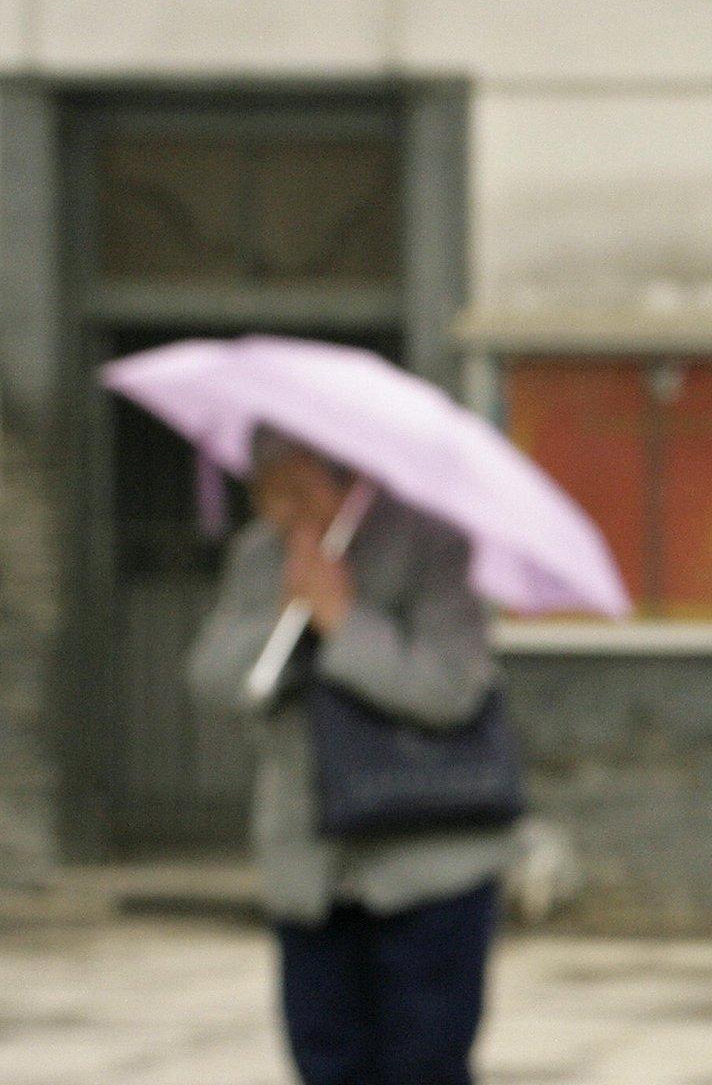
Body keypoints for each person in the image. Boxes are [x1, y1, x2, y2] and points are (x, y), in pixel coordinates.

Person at [189, 430, 519, 1085]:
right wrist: (285, 615)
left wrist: (343, 618)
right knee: (325, 1061)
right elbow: (213, 683)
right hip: (310, 864)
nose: (283, 507)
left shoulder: (433, 545)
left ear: (339, 474)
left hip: (428, 861)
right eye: (267, 491)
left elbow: (448, 690)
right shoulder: (259, 557)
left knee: (424, 1065)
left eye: (296, 485)